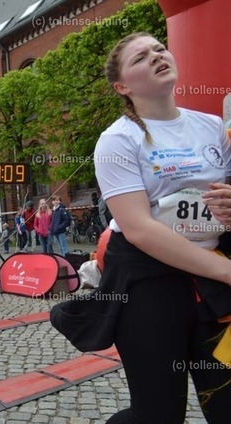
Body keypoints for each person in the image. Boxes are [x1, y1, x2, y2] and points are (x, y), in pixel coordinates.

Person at [91, 32, 231, 422]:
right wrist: (228, 271)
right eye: (140, 58)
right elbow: (139, 229)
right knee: (158, 415)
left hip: (213, 286)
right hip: (149, 284)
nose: (155, 56)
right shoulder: (117, 140)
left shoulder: (213, 127)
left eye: (159, 49)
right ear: (122, 86)